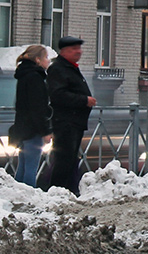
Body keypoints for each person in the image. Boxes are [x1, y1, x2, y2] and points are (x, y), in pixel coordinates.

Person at [47, 36, 96, 194]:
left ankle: (67, 191)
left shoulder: (70, 67)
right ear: (64, 51)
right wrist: (84, 100)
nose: (78, 52)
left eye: (79, 48)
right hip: (65, 122)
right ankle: (58, 193)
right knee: (64, 161)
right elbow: (58, 95)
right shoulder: (59, 68)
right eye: (74, 49)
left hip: (74, 122)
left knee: (70, 161)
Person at [12, 45, 52, 187]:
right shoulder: (35, 78)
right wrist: (45, 131)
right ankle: (29, 201)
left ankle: (18, 197)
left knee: (23, 166)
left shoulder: (24, 75)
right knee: (31, 168)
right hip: (33, 129)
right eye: (46, 57)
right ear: (38, 60)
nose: (48, 61)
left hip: (23, 128)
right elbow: (38, 108)